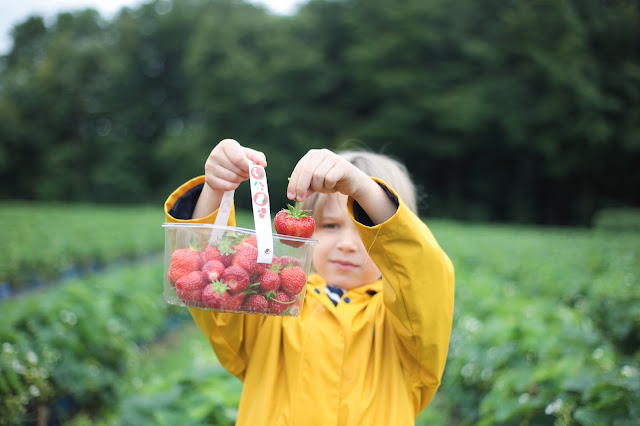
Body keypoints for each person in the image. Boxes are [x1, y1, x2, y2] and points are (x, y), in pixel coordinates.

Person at [164, 138, 455, 425]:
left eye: (367, 229)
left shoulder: (407, 330)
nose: (348, 245)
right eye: (330, 225)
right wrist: (217, 190)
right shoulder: (273, 302)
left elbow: (424, 277)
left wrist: (364, 189)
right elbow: (213, 287)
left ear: (395, 238)